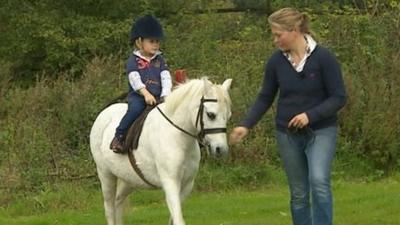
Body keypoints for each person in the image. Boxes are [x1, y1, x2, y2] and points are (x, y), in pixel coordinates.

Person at [229, 8, 346, 225]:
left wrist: (310, 115)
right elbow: (265, 97)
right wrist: (246, 125)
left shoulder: (324, 58)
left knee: (319, 182)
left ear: (294, 31)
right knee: (299, 193)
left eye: (277, 34)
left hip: (321, 131)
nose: (274, 40)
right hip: (287, 135)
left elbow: (338, 97)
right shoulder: (276, 62)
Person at [110, 15, 172, 153]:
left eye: (157, 41)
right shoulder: (134, 60)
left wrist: (166, 94)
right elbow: (134, 79)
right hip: (139, 97)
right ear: (139, 42)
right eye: (151, 41)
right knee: (135, 110)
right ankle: (119, 136)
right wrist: (145, 94)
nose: (156, 44)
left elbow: (166, 77)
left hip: (158, 97)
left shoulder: (160, 60)